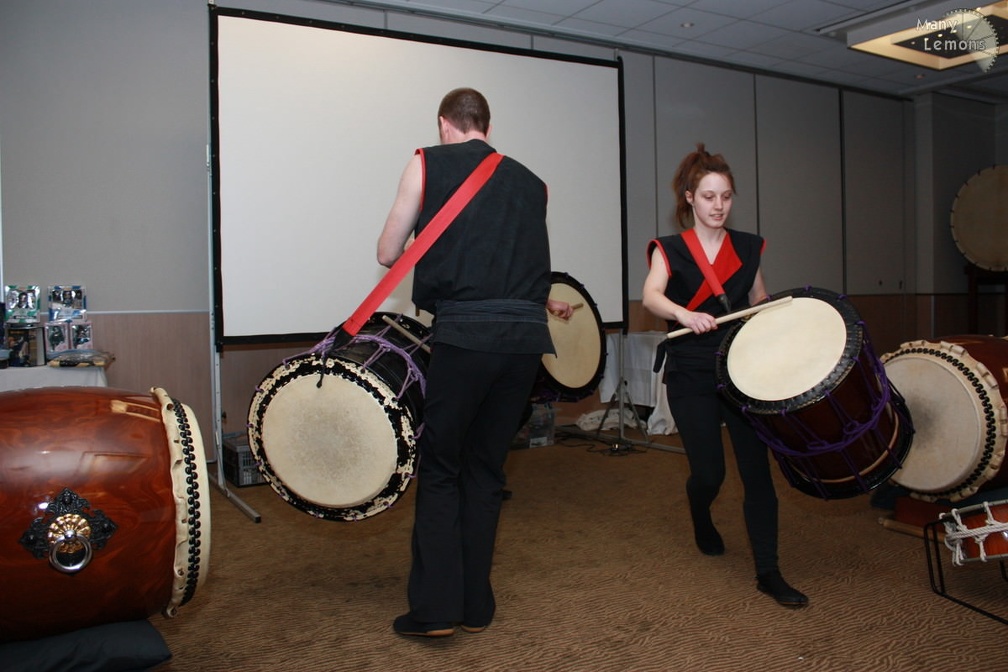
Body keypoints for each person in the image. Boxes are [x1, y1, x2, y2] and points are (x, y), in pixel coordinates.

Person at [377, 87, 573, 637]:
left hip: (465, 337)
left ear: (445, 124)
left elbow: (388, 252)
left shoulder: (427, 162)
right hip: (524, 343)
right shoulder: (534, 183)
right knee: (486, 470)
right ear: (486, 124)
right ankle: (476, 605)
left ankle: (436, 610)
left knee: (442, 467)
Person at [641, 143, 808, 607]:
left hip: (742, 370)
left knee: (757, 473)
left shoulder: (748, 247)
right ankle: (700, 512)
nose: (719, 206)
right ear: (689, 198)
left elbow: (758, 300)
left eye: (726, 196)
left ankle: (769, 572)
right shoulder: (670, 249)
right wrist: (683, 313)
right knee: (709, 473)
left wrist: (784, 325)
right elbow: (651, 296)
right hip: (691, 371)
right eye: (709, 196)